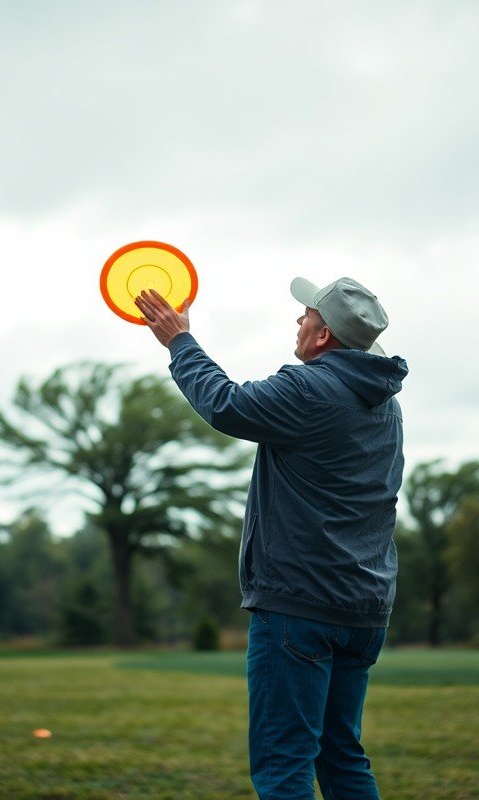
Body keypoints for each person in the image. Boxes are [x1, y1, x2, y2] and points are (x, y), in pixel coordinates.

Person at [135, 276, 408, 800]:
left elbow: (227, 406)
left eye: (306, 315)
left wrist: (179, 342)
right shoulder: (386, 404)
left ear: (323, 335)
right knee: (342, 756)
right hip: (363, 608)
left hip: (298, 607)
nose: (299, 322)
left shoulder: (310, 389)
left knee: (283, 768)